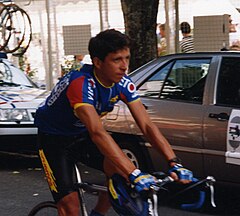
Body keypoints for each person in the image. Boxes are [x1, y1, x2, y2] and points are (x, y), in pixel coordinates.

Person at [34, 29, 193, 216]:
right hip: (54, 140)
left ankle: (98, 214)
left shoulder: (123, 83)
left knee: (120, 174)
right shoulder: (81, 83)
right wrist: (134, 173)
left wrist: (174, 162)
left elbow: (147, 126)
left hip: (81, 135)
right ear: (98, 62)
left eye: (126, 58)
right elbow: (97, 132)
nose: (124, 66)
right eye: (117, 60)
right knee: (70, 206)